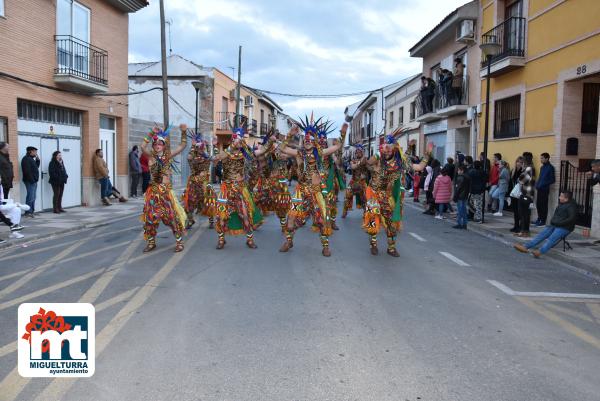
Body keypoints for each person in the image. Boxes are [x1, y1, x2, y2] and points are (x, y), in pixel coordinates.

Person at [278, 117, 346, 257]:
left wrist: (343, 134)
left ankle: (325, 246)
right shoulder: (299, 153)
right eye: (306, 139)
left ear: (314, 141)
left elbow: (337, 146)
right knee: (291, 218)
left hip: (316, 192)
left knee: (321, 220)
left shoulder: (320, 153)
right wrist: (290, 135)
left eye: (310, 139)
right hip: (301, 191)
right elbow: (282, 148)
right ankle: (289, 241)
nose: (308, 141)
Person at [363, 136, 430, 256]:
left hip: (387, 196)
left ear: (394, 150)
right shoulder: (379, 158)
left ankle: (391, 248)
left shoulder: (400, 163)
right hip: (373, 194)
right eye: (385, 148)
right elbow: (369, 163)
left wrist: (427, 154)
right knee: (372, 220)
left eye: (389, 148)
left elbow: (419, 167)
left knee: (392, 223)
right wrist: (373, 158)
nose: (387, 150)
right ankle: (373, 244)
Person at [211, 127, 265, 250]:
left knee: (245, 215)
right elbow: (215, 159)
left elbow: (257, 154)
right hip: (226, 190)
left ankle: (249, 240)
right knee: (221, 217)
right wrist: (216, 147)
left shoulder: (244, 154)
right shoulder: (226, 153)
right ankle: (221, 240)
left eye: (239, 139)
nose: (237, 141)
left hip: (240, 190)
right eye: (235, 139)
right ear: (231, 141)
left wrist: (269, 143)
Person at [140, 124, 189, 253]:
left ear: (164, 146)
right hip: (153, 192)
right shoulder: (150, 156)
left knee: (172, 218)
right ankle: (151, 243)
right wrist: (151, 133)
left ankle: (179, 242)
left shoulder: (167, 156)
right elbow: (142, 146)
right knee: (149, 219)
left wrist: (183, 132)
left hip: (165, 192)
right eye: (155, 143)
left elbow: (182, 146)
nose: (157, 145)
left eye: (160, 144)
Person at [514, 191, 577, 258]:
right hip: (555, 224)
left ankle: (540, 252)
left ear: (566, 199)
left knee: (551, 238)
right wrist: (553, 221)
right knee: (541, 235)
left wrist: (560, 223)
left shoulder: (572, 207)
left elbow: (571, 218)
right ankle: (525, 247)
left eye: (561, 196)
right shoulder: (562, 203)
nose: (559, 198)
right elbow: (556, 215)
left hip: (565, 227)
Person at [182, 134, 216, 230]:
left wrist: (212, 146)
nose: (201, 149)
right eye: (199, 148)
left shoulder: (207, 157)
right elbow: (188, 157)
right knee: (189, 201)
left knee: (209, 201)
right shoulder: (192, 157)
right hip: (194, 183)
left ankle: (211, 221)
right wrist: (193, 146)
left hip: (204, 183)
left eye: (202, 147)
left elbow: (213, 158)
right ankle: (190, 220)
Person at [342, 144, 368, 218]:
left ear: (362, 152)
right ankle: (345, 212)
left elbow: (370, 168)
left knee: (365, 198)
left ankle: (366, 213)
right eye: (357, 152)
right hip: (353, 182)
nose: (358, 153)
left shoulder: (365, 160)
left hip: (362, 182)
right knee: (347, 195)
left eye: (360, 152)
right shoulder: (352, 161)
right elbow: (353, 167)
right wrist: (362, 160)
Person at [535, 152, 555, 226]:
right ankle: (539, 219)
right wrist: (537, 184)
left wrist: (543, 184)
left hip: (545, 189)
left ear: (547, 158)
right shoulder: (542, 167)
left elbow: (552, 180)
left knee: (543, 205)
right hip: (539, 189)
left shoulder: (550, 168)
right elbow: (540, 178)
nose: (541, 160)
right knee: (538, 205)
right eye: (541, 158)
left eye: (542, 158)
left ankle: (543, 221)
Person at [21, 146, 40, 217]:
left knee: (33, 196)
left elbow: (35, 167)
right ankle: (28, 212)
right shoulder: (26, 159)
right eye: (35, 151)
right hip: (30, 181)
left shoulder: (31, 159)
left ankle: (31, 211)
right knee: (30, 196)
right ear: (30, 151)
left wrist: (38, 160)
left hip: (33, 181)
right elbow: (27, 171)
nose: (36, 153)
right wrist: (32, 180)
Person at [516, 172, 535, 238]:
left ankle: (524, 231)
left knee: (524, 216)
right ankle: (524, 231)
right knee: (524, 216)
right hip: (524, 199)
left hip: (526, 200)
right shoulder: (527, 182)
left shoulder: (528, 184)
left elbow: (529, 194)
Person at [453, 165, 471, 229]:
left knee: (460, 210)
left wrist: (455, 196)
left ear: (462, 170)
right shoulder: (468, 177)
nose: (457, 171)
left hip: (460, 196)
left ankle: (459, 223)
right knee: (464, 210)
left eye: (458, 170)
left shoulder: (460, 177)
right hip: (465, 195)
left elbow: (458, 188)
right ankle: (464, 224)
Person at [509, 156, 524, 232]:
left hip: (520, 193)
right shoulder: (513, 170)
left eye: (521, 162)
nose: (519, 164)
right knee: (515, 211)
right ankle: (516, 226)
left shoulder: (523, 171)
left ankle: (520, 227)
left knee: (520, 211)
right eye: (518, 162)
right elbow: (510, 182)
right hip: (514, 193)